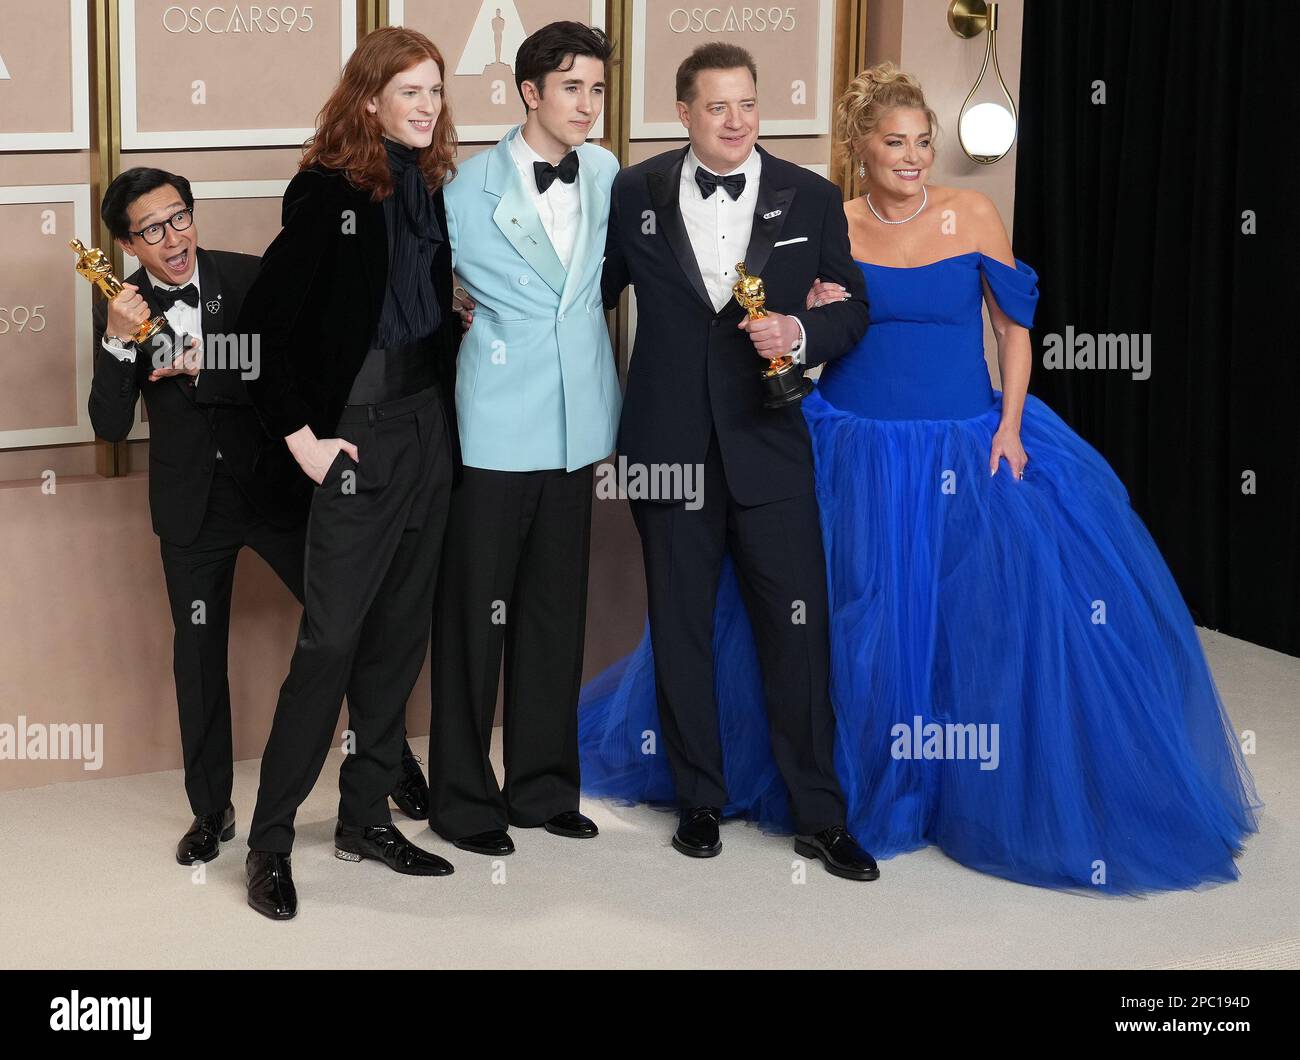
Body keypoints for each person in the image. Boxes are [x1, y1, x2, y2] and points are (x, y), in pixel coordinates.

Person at [579, 62, 1261, 894]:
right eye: (894, 142)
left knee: (940, 626)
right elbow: (614, 292)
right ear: (859, 147)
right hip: (847, 445)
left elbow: (1003, 326)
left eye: (922, 142)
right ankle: (707, 797)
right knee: (831, 621)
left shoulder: (943, 209)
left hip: (964, 441)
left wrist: (1009, 426)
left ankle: (844, 807)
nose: (912, 157)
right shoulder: (771, 206)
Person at [590, 43, 878, 880]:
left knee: (799, 634)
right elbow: (591, 294)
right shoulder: (633, 191)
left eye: (747, 104)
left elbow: (854, 305)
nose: (737, 121)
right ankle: (699, 801)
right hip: (666, 448)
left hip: (769, 445)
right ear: (683, 113)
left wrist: (800, 333)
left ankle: (821, 816)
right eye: (717, 106)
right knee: (680, 629)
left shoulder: (812, 195)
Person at [88, 168, 429, 869]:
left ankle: (386, 764)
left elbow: (290, 372)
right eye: (151, 229)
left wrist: (207, 364)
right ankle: (211, 812)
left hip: (276, 490)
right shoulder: (116, 306)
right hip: (192, 511)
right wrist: (120, 344)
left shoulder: (248, 278)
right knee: (199, 661)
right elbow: (110, 425)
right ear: (128, 243)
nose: (172, 237)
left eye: (179, 216)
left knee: (347, 627)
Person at [236, 26, 462, 920]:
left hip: (424, 431)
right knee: (329, 645)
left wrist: (452, 329)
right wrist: (302, 439)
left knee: (399, 642)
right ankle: (268, 844)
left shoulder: (428, 188)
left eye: (436, 90)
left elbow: (403, 306)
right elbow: (264, 335)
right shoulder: (323, 192)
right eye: (409, 90)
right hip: (353, 438)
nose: (427, 105)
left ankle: (365, 816)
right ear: (368, 99)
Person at [427, 22, 619, 857]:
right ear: (529, 92)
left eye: (599, 89)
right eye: (571, 87)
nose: (588, 104)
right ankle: (463, 802)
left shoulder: (610, 173)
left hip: (580, 426)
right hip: (495, 426)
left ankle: (543, 789)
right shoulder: (464, 188)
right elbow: (429, 295)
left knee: (552, 613)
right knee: (476, 620)